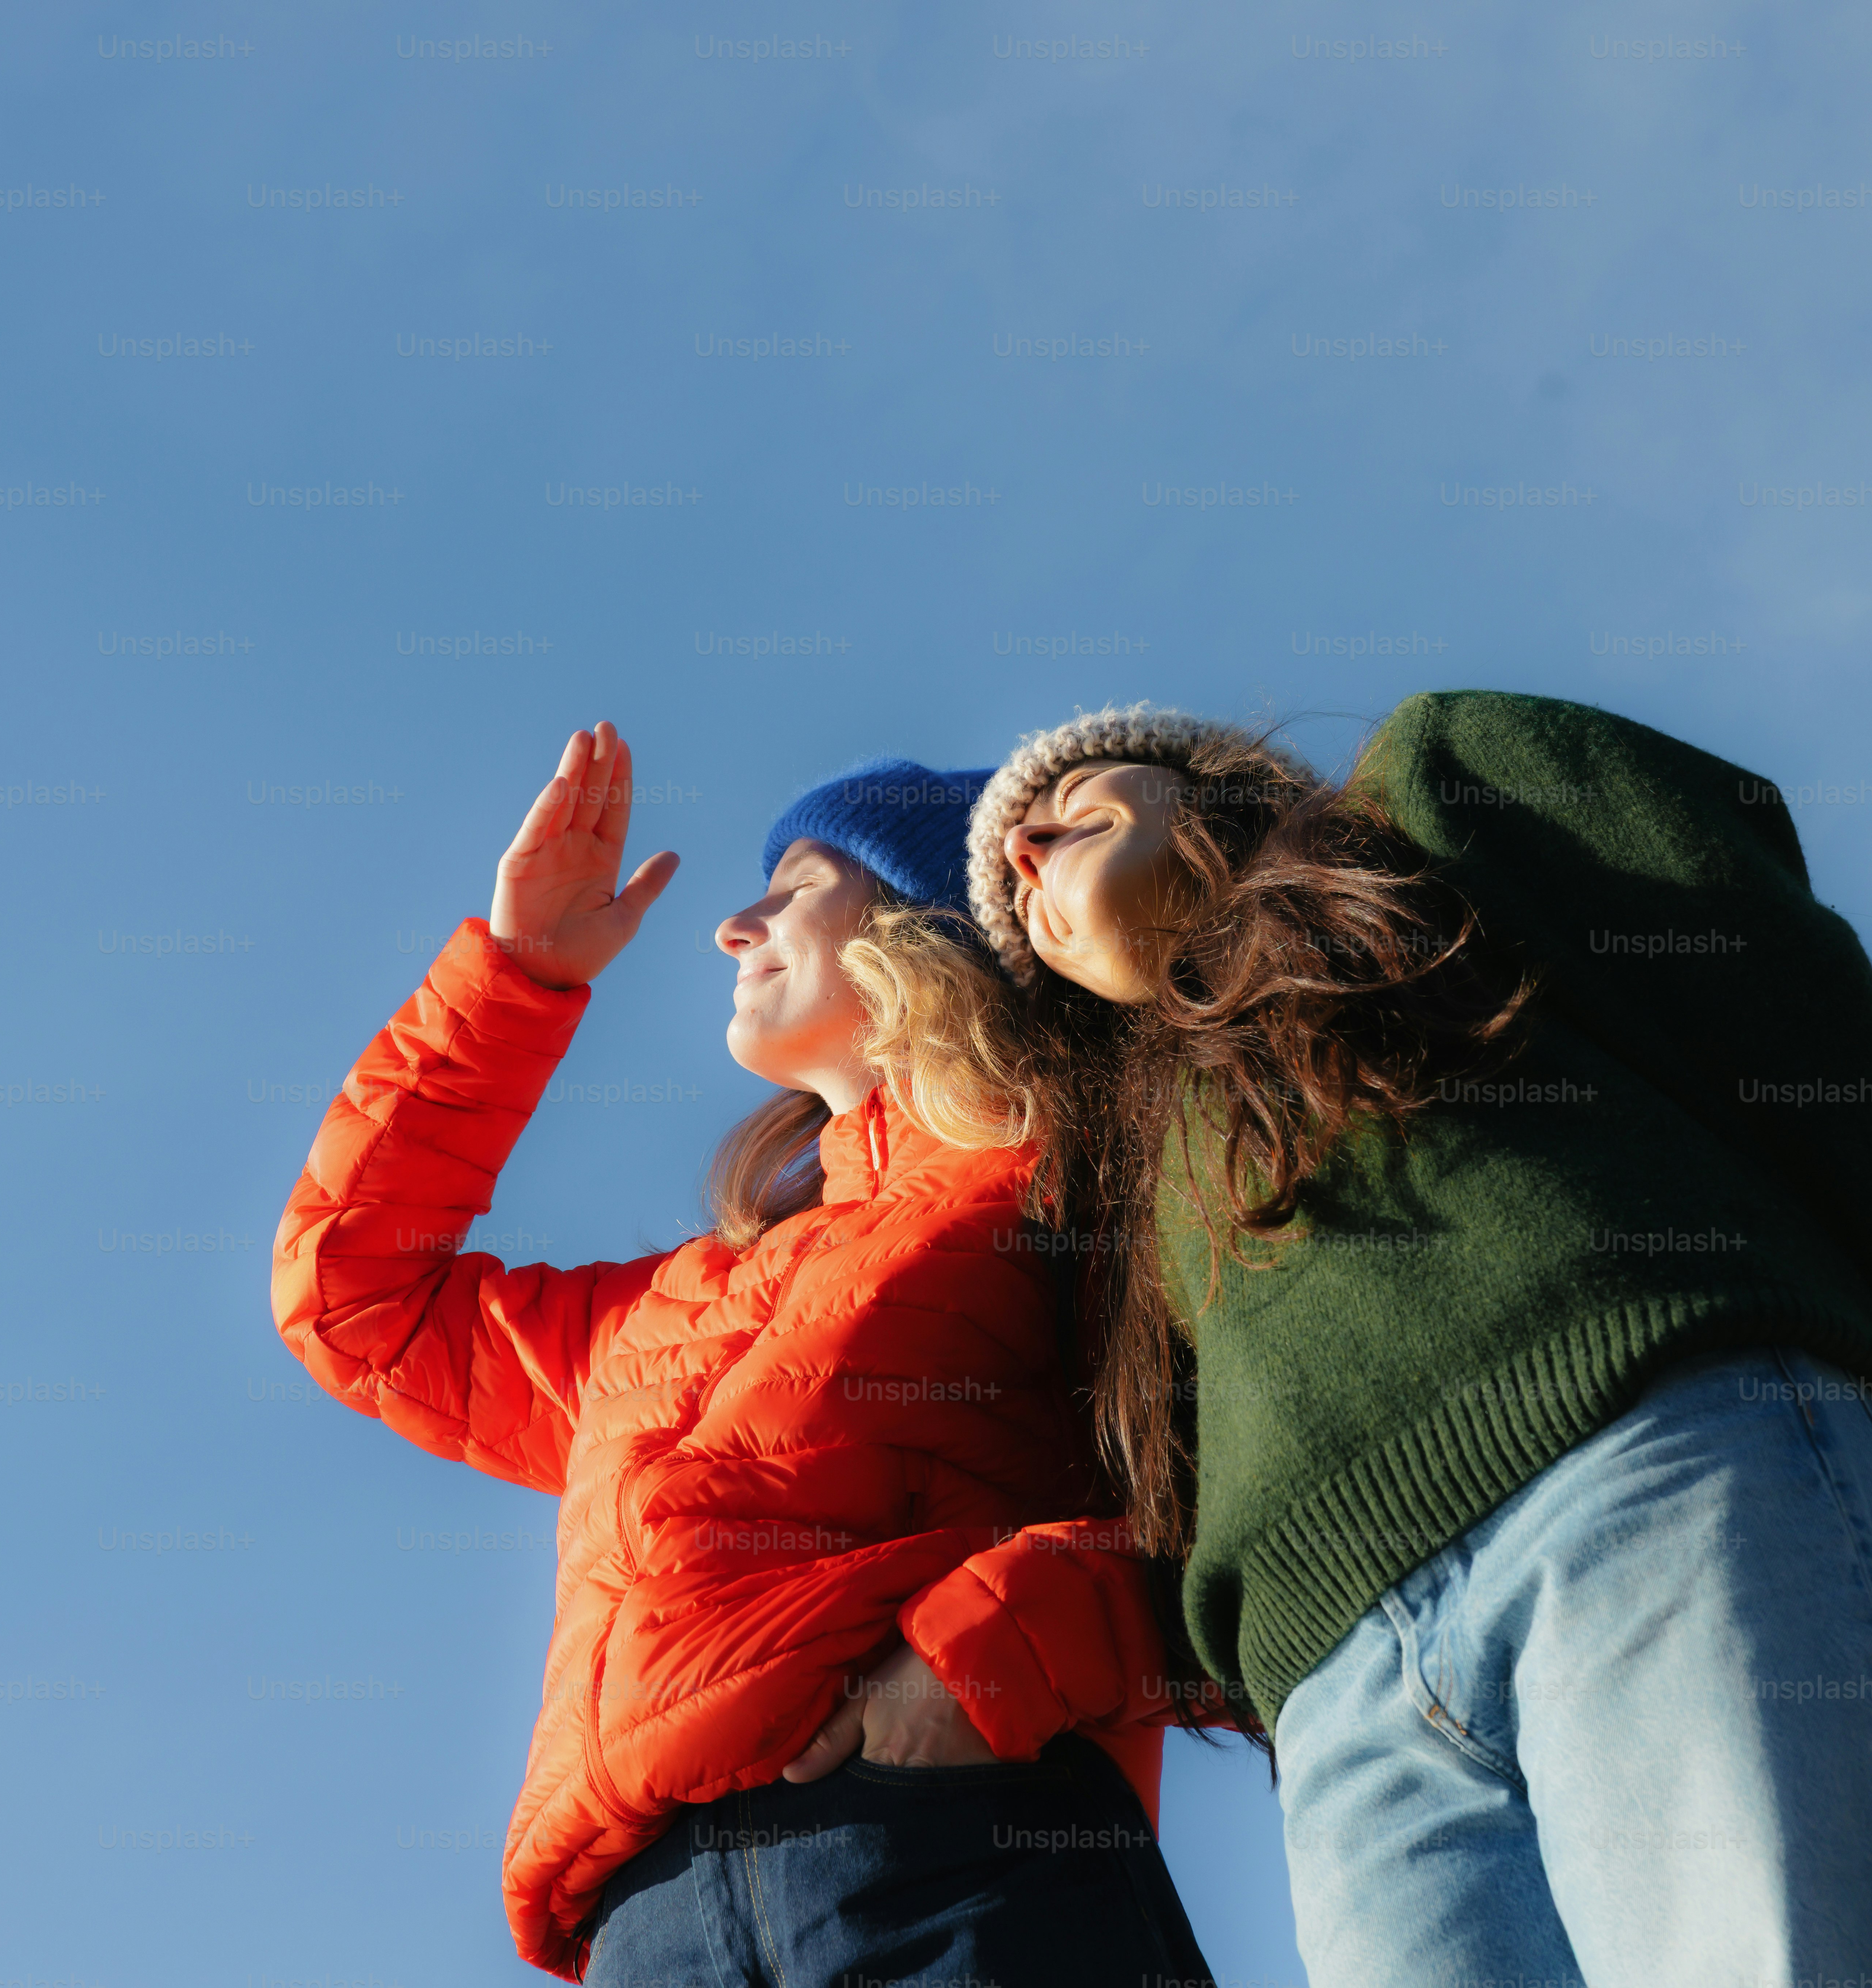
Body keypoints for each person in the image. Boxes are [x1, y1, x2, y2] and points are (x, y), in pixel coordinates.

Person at [962, 690, 1872, 1987]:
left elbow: (1819, 1049)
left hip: (1650, 1481)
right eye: (1007, 890)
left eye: (1062, 796)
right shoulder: (1143, 1191)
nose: (1027, 848)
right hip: (1345, 1708)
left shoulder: (1434, 791)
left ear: (1199, 777)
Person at [269, 722, 1213, 1986]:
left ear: (923, 932)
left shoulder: (1078, 1193)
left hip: (954, 1851)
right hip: (648, 1922)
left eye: (799, 887)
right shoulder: (678, 1304)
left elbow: (1261, 1495)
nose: (736, 922)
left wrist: (977, 1662)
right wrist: (513, 978)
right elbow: (354, 1295)